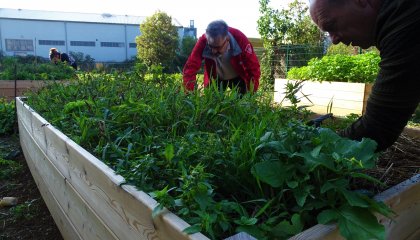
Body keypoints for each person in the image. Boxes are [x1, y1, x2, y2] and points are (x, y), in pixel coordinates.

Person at [309, 0, 420, 151]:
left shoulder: (405, 20)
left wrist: (315, 151)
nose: (334, 40)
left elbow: (378, 125)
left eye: (331, 26)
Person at [183, 20, 261, 95]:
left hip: (238, 77)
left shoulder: (240, 39)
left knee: (244, 104)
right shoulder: (203, 41)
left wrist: (251, 92)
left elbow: (253, 68)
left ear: (227, 39)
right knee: (210, 105)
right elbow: (190, 67)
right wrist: (189, 93)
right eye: (210, 46)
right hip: (215, 78)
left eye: (217, 47)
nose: (213, 51)